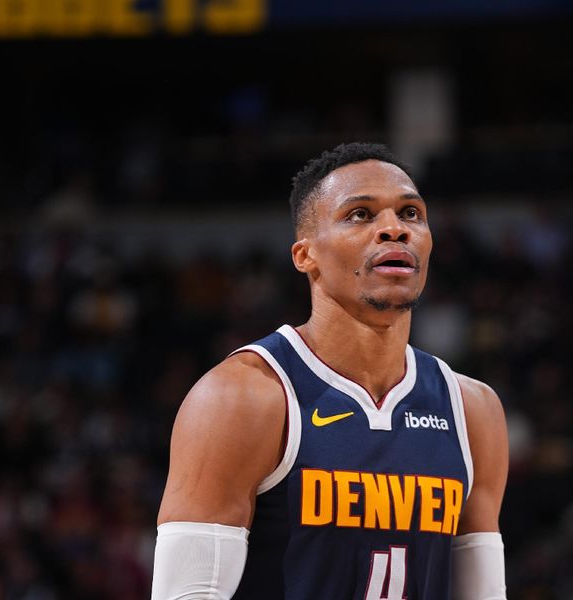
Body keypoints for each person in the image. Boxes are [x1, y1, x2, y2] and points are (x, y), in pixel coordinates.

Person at [151, 142, 509, 599]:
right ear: (305, 256)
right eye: (361, 214)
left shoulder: (472, 410)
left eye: (411, 214)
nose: (393, 230)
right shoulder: (242, 397)